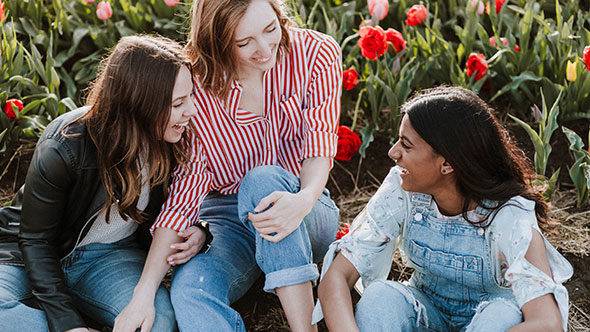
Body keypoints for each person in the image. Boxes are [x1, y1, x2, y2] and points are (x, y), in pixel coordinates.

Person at [115, 0, 342, 331]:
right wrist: (144, 292)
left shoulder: (316, 53)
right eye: (244, 42)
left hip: (304, 206)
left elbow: (319, 145)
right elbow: (186, 191)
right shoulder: (197, 86)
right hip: (229, 220)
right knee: (191, 291)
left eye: (270, 29)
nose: (264, 50)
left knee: (262, 181)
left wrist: (303, 199)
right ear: (216, 41)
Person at [316, 86, 573, 331]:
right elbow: (336, 277)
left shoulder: (510, 215)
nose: (393, 152)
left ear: (447, 164)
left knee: (500, 316)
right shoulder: (402, 189)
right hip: (427, 313)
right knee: (381, 297)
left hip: (489, 322)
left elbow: (547, 324)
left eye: (406, 145)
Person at [0, 35, 210, 332]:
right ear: (140, 105)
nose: (192, 111)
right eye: (178, 103)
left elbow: (183, 204)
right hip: (26, 255)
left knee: (158, 321)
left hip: (106, 257)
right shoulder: (65, 146)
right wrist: (68, 324)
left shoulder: (177, 140)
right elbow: (35, 241)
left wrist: (200, 230)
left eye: (190, 97)